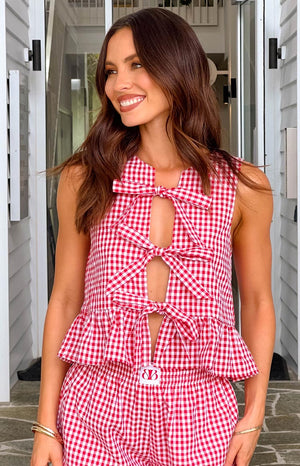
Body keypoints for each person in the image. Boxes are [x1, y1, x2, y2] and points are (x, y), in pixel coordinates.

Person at [31, 8, 275, 466]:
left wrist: (254, 412)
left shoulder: (244, 186)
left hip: (200, 411)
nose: (118, 83)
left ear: (177, 65)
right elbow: (64, 298)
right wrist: (47, 424)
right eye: (110, 71)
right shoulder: (85, 179)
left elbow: (258, 301)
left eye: (137, 64)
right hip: (96, 407)